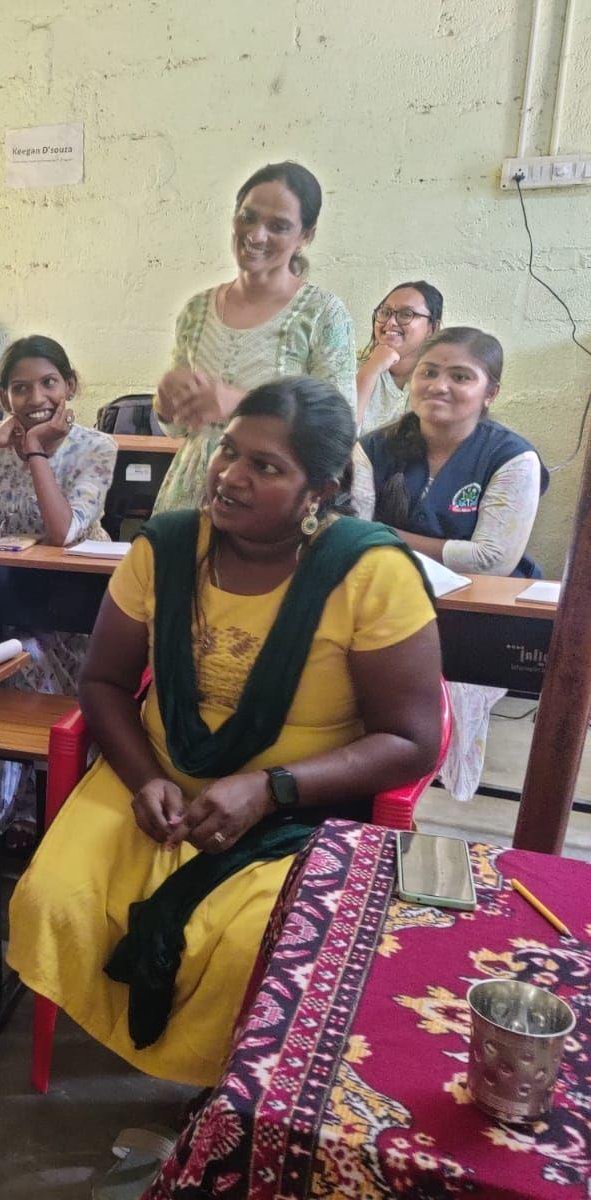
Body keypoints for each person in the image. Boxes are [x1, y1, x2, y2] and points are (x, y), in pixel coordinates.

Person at [8, 377, 444, 1088]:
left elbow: (412, 740)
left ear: (319, 490)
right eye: (229, 452)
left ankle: (229, 1098)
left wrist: (271, 789)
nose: (230, 477)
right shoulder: (169, 547)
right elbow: (104, 684)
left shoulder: (370, 572)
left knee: (248, 947)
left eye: (266, 467)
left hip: (300, 811)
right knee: (52, 899)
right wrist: (147, 777)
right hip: (154, 783)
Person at [0, 335, 119, 839]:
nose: (36, 398)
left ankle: (33, 811)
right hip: (3, 595)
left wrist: (34, 452)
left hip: (72, 606)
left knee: (26, 659)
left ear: (70, 386)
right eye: (20, 388)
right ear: (3, 396)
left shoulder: (97, 447)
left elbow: (65, 532)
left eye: (48, 383)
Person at [360, 327, 546, 802]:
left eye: (461, 376)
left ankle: (412, 774)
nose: (439, 386)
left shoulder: (511, 458)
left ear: (491, 393)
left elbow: (490, 560)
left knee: (435, 693)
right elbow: (348, 533)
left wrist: (388, 537)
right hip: (388, 597)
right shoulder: (374, 448)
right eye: (429, 372)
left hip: (476, 609)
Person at [152, 162, 357, 515]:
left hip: (271, 498)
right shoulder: (197, 310)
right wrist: (167, 402)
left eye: (278, 226)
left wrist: (239, 404)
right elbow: (178, 429)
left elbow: (339, 430)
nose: (257, 235)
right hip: (191, 494)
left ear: (305, 236)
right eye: (248, 217)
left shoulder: (322, 313)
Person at [355, 281, 443, 433]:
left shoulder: (440, 381)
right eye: (385, 312)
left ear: (432, 328)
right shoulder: (348, 368)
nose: (390, 322)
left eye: (406, 314)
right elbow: (337, 437)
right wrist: (370, 371)